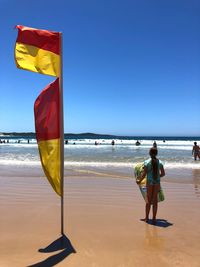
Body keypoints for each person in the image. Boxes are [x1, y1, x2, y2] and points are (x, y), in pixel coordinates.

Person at [136, 147, 165, 224]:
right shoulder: (160, 162)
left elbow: (144, 174)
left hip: (149, 183)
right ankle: (154, 218)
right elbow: (163, 174)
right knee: (155, 201)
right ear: (156, 153)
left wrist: (139, 180)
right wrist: (158, 176)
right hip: (157, 183)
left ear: (149, 153)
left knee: (148, 201)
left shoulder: (147, 162)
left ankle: (146, 218)